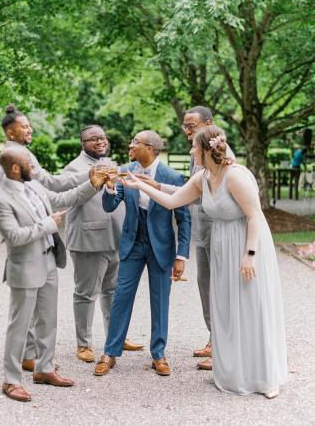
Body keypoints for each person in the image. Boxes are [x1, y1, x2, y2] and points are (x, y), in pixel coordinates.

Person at [122, 126, 287, 398]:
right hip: (222, 245)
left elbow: (255, 216)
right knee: (225, 307)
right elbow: (173, 200)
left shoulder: (235, 176)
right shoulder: (203, 177)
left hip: (246, 242)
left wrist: (250, 255)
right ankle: (233, 371)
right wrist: (139, 184)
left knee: (250, 304)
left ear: (207, 150)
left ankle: (264, 376)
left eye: (194, 147)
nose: (190, 151)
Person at [0, 148, 105, 402]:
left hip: (50, 261)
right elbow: (15, 237)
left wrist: (92, 185)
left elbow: (65, 197)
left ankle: (44, 369)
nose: (35, 167)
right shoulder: (1, 200)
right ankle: (11, 380)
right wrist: (48, 225)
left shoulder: (35, 188)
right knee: (19, 325)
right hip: (24, 267)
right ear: (16, 169)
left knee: (48, 320)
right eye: (30, 164)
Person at [137, 106, 234, 371]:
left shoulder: (221, 155)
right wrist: (153, 185)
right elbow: (189, 189)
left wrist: (155, 187)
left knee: (220, 290)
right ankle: (214, 339)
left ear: (208, 124)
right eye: (185, 126)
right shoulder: (197, 154)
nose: (186, 131)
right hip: (203, 233)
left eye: (191, 125)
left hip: (220, 232)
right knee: (206, 286)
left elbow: (196, 193)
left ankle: (224, 350)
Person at [0, 104, 88, 372]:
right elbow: (50, 185)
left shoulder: (23, 155)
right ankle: (23, 361)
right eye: (25, 127)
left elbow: (51, 189)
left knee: (43, 311)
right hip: (30, 242)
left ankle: (35, 359)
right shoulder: (12, 159)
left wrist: (91, 181)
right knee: (25, 311)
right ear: (11, 131)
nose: (30, 130)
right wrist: (45, 223)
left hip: (46, 246)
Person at [94, 131, 191, 377]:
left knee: (160, 301)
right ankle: (110, 352)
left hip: (162, 246)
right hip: (132, 243)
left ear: (150, 148)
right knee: (121, 298)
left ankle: (159, 354)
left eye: (135, 142)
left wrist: (182, 256)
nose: (130, 144)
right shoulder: (124, 170)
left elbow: (184, 219)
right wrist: (110, 186)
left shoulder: (172, 177)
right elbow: (110, 206)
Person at [63, 125, 143, 363]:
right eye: (93, 139)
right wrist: (94, 181)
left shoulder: (113, 164)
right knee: (86, 294)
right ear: (83, 143)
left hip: (116, 239)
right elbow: (71, 200)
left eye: (103, 138)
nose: (100, 142)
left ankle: (115, 337)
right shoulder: (73, 169)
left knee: (114, 292)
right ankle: (84, 344)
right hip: (89, 241)